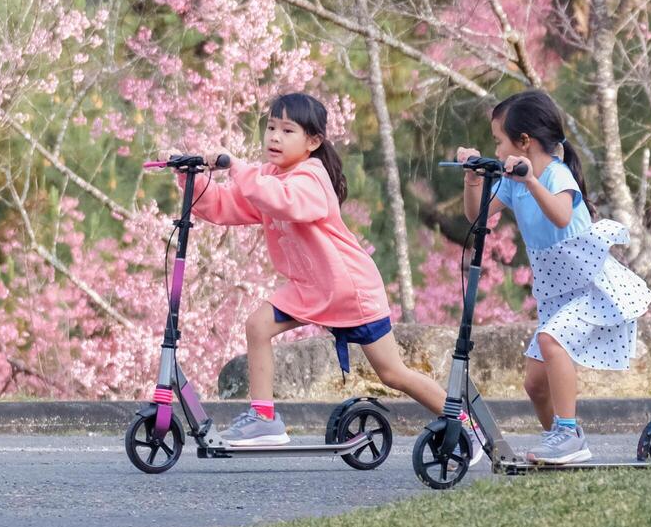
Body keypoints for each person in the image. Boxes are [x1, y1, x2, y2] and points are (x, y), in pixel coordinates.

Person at [181, 91, 478, 458]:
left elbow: (283, 200)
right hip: (309, 288)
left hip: (349, 290)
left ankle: (463, 423)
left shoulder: (311, 177)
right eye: (271, 127)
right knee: (257, 325)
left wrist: (239, 169)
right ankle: (263, 419)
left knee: (392, 373)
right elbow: (227, 205)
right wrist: (193, 181)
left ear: (313, 141)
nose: (274, 137)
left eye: (287, 130)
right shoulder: (270, 176)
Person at [457, 90, 651, 464]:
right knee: (534, 384)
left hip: (588, 286)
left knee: (551, 340)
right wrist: (472, 179)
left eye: (499, 141)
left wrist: (531, 181)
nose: (496, 151)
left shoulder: (556, 174)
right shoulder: (514, 182)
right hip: (556, 293)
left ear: (524, 142)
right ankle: (558, 443)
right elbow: (477, 218)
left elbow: (561, 216)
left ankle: (568, 434)